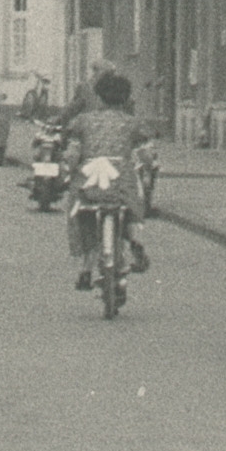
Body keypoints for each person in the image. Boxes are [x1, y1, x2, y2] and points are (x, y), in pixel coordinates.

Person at [62, 66, 153, 289]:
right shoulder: (132, 123)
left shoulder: (84, 121)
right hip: (121, 179)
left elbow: (73, 154)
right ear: (125, 98)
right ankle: (134, 239)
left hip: (90, 180)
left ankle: (85, 267)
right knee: (133, 203)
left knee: (80, 212)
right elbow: (146, 154)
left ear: (100, 96)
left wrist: (69, 168)